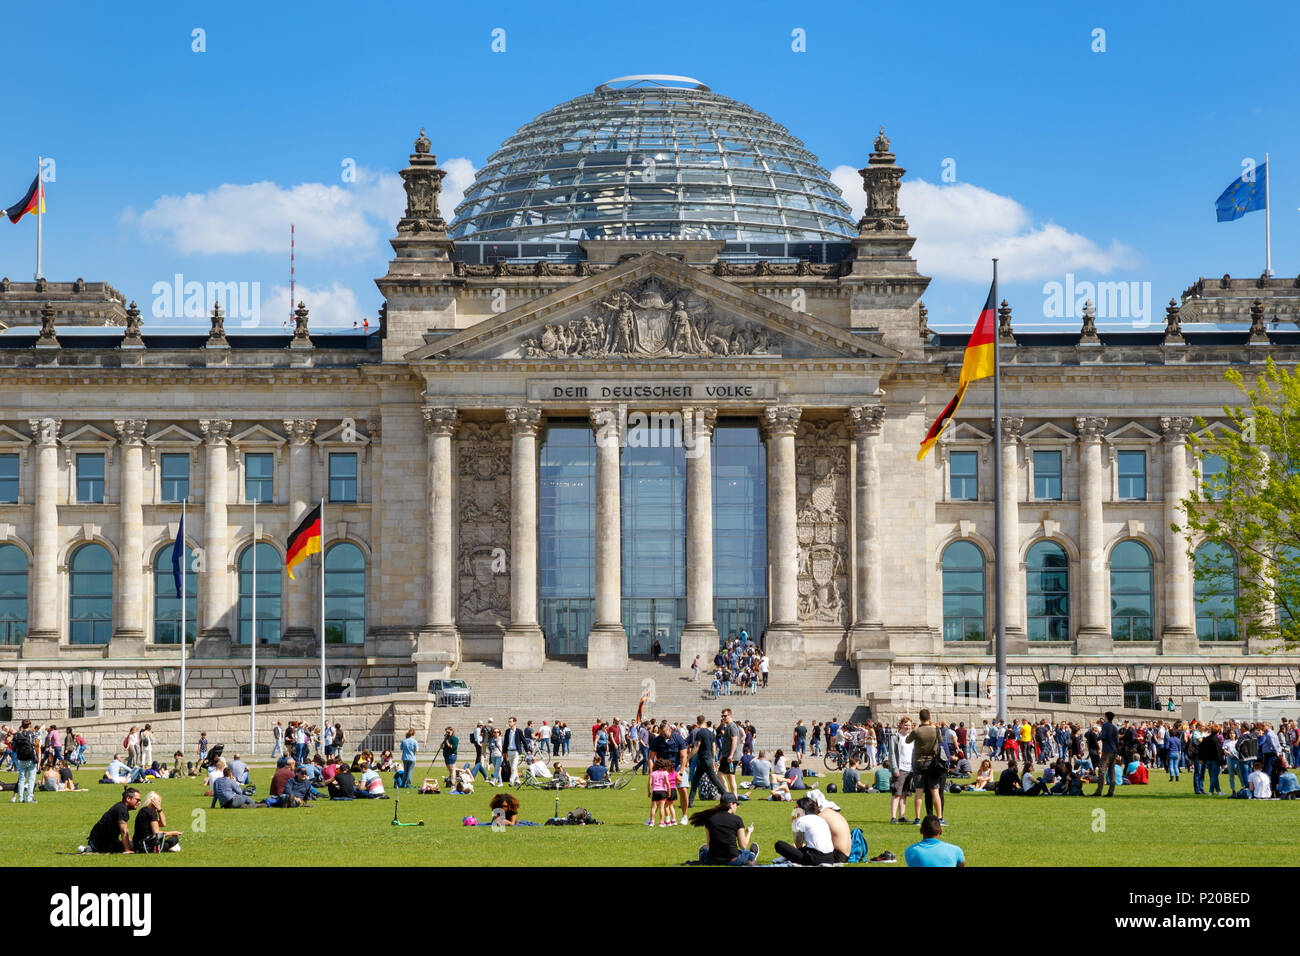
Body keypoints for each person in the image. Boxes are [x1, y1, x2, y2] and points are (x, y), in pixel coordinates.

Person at [690, 793, 757, 865]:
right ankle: (753, 854)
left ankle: (702, 855)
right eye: (736, 804)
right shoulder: (737, 819)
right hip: (732, 859)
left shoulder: (710, 819)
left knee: (705, 850)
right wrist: (749, 832)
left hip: (712, 859)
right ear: (731, 804)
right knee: (746, 853)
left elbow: (709, 845)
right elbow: (743, 846)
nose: (737, 807)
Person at [906, 709, 945, 823]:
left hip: (919, 762)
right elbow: (941, 741)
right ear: (929, 717)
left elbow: (908, 740)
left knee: (918, 792)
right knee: (935, 791)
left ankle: (917, 818)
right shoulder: (936, 730)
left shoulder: (917, 731)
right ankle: (939, 817)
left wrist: (915, 728)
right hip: (932, 763)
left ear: (920, 718)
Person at [775, 797, 839, 865]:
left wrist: (794, 822)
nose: (794, 810)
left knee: (779, 845)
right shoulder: (821, 819)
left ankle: (785, 858)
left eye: (796, 808)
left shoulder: (801, 820)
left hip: (814, 858)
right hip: (830, 858)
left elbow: (798, 845)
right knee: (801, 849)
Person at [82, 787, 142, 854]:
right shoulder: (122, 810)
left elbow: (126, 831)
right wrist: (127, 850)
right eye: (137, 800)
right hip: (101, 843)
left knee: (134, 845)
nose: (139, 802)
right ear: (128, 799)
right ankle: (90, 849)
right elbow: (123, 831)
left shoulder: (121, 807)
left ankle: (88, 849)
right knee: (137, 847)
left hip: (97, 841)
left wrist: (130, 843)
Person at [686, 714, 728, 808]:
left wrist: (687, 758)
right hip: (708, 760)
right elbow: (714, 748)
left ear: (697, 723)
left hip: (702, 760)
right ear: (705, 722)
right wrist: (713, 760)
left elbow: (696, 747)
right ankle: (689, 803)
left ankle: (728, 798)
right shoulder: (711, 733)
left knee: (711, 781)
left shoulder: (699, 733)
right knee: (700, 780)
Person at [10, 719, 39, 804]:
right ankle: (29, 798)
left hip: (21, 758)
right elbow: (36, 746)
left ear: (22, 725)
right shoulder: (32, 734)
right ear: (29, 725)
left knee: (21, 779)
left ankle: (20, 798)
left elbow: (14, 749)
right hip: (31, 758)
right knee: (31, 779)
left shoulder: (17, 735)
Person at [1092, 712, 1120, 797]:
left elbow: (1103, 736)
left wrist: (1097, 738)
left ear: (1106, 717)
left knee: (1102, 770)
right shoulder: (1115, 727)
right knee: (1112, 771)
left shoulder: (1105, 725)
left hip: (1107, 750)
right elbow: (1117, 741)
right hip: (1114, 750)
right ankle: (1111, 791)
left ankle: (1099, 791)